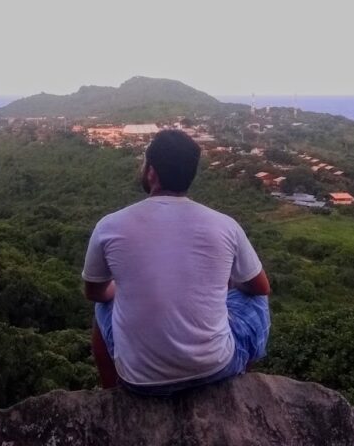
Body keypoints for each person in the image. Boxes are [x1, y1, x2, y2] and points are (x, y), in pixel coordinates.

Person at [82, 129, 271, 395]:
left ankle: (110, 394)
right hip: (214, 369)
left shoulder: (109, 226)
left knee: (102, 307)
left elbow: (94, 293)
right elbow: (261, 288)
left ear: (152, 173)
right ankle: (237, 386)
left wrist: (120, 289)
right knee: (256, 300)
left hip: (139, 380)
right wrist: (223, 288)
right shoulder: (226, 225)